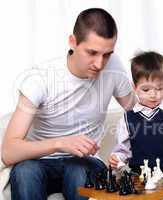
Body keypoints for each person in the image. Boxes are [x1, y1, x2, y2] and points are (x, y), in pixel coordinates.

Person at [1, 8, 136, 200]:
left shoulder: (113, 66)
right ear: (73, 42)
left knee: (79, 172)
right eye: (92, 52)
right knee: (25, 173)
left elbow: (138, 112)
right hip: (38, 162)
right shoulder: (41, 78)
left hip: (85, 162)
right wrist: (61, 143)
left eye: (107, 54)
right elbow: (8, 151)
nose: (99, 63)